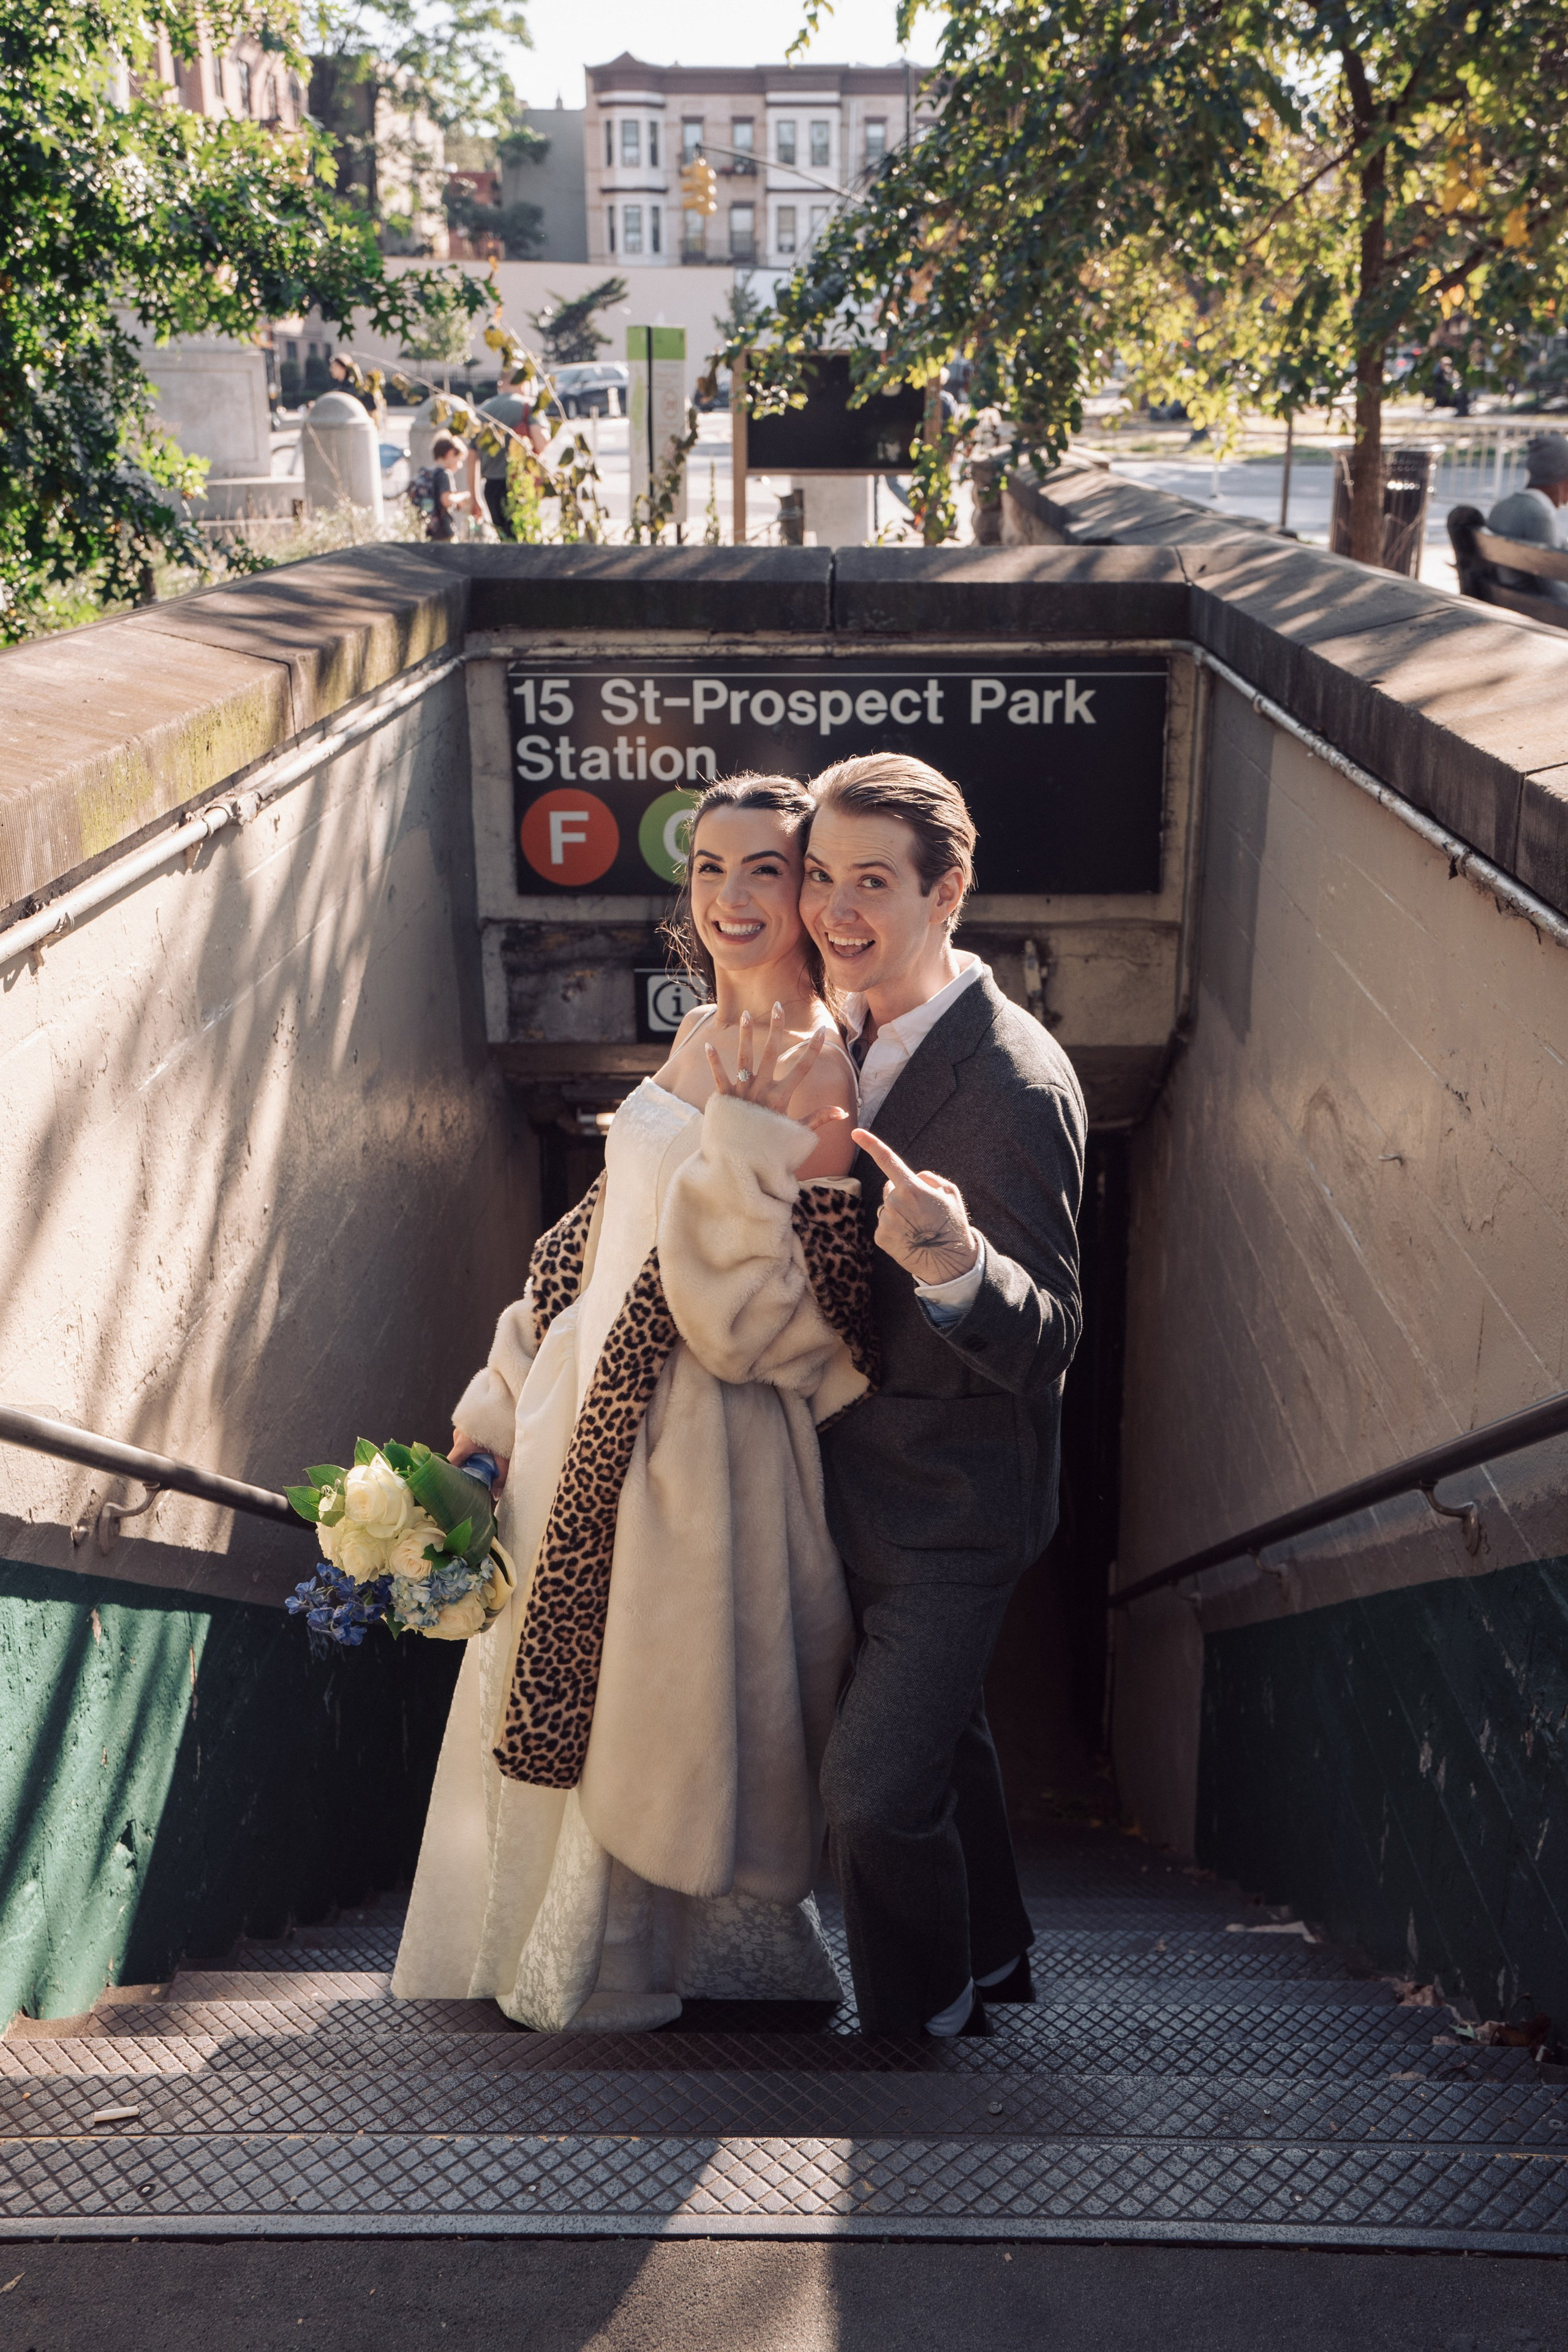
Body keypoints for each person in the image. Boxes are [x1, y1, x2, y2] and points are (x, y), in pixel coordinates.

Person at [392, 776, 870, 2030]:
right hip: (574, 1417)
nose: (728, 899)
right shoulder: (702, 1030)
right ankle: (557, 1953)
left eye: (763, 870)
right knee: (564, 1692)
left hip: (693, 1449)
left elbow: (784, 1322)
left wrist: (746, 1144)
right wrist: (497, 1399)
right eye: (708, 870)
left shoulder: (816, 1062)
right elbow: (596, 1240)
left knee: (648, 1708)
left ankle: (624, 1963)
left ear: (807, 888)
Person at [801, 753, 1087, 2039]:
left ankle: (914, 2026)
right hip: (851, 1481)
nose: (832, 909)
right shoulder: (848, 1023)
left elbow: (1049, 1341)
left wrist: (957, 1263)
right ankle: (996, 1961)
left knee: (868, 1791)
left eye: (870, 881)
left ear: (947, 892)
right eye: (820, 875)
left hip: (952, 1507)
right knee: (942, 1736)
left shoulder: (1011, 1088)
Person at [1487, 432, 1568, 605]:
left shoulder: (1502, 507)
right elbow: (1551, 586)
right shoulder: (1539, 516)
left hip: (1509, 599)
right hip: (1536, 609)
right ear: (1562, 480)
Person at [476, 373, 551, 540]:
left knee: (505, 538)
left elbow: (472, 454)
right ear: (524, 383)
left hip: (492, 485)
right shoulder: (530, 406)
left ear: (501, 384)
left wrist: (475, 497)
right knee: (523, 536)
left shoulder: (485, 409)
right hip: (522, 483)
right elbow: (542, 443)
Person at [424, 433, 476, 542]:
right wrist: (465, 496)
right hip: (444, 532)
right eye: (460, 459)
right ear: (451, 453)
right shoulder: (445, 474)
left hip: (430, 530)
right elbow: (446, 500)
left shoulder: (430, 474)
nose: (460, 465)